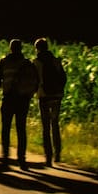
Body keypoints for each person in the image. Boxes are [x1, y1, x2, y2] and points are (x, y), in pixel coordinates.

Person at [0, 38, 39, 168]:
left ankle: (5, 157)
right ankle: (21, 158)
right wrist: (29, 94)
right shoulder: (27, 63)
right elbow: (36, 81)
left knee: (6, 128)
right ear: (21, 49)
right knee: (21, 129)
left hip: (8, 99)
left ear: (10, 48)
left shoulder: (4, 62)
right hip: (23, 100)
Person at [33, 38, 68, 166]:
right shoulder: (56, 61)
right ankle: (58, 153)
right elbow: (64, 78)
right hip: (57, 97)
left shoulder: (36, 62)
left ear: (37, 48)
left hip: (44, 97)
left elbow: (34, 81)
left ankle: (48, 156)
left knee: (46, 127)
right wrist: (59, 91)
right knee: (55, 124)